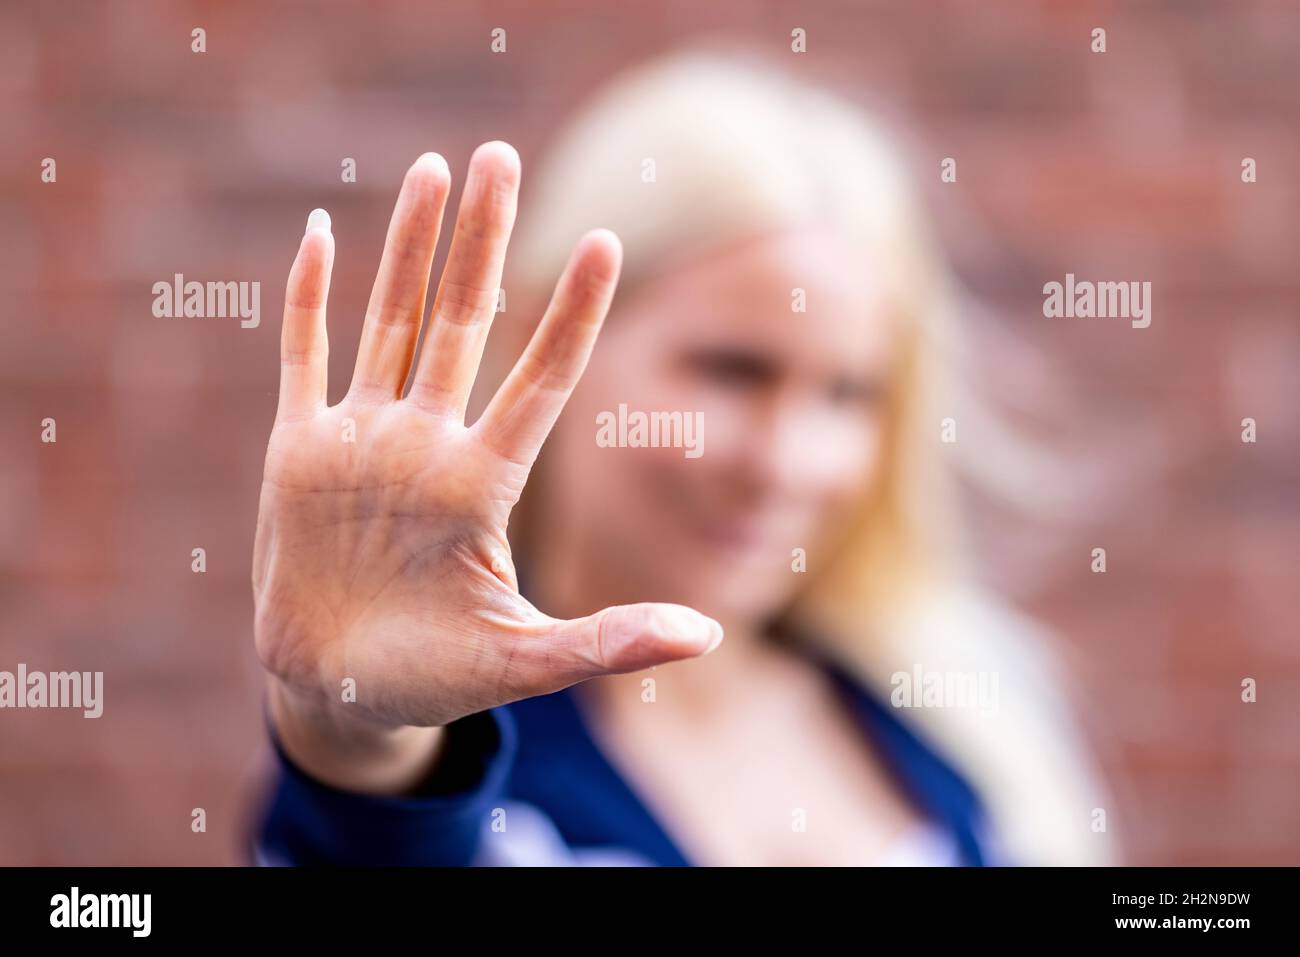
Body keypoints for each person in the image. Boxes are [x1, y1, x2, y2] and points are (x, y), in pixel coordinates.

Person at [249, 49, 1114, 866]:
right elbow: (374, 825)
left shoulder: (956, 710)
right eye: (733, 371)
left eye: (848, 392)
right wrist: (349, 723)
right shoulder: (486, 772)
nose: (781, 461)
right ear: (551, 342)